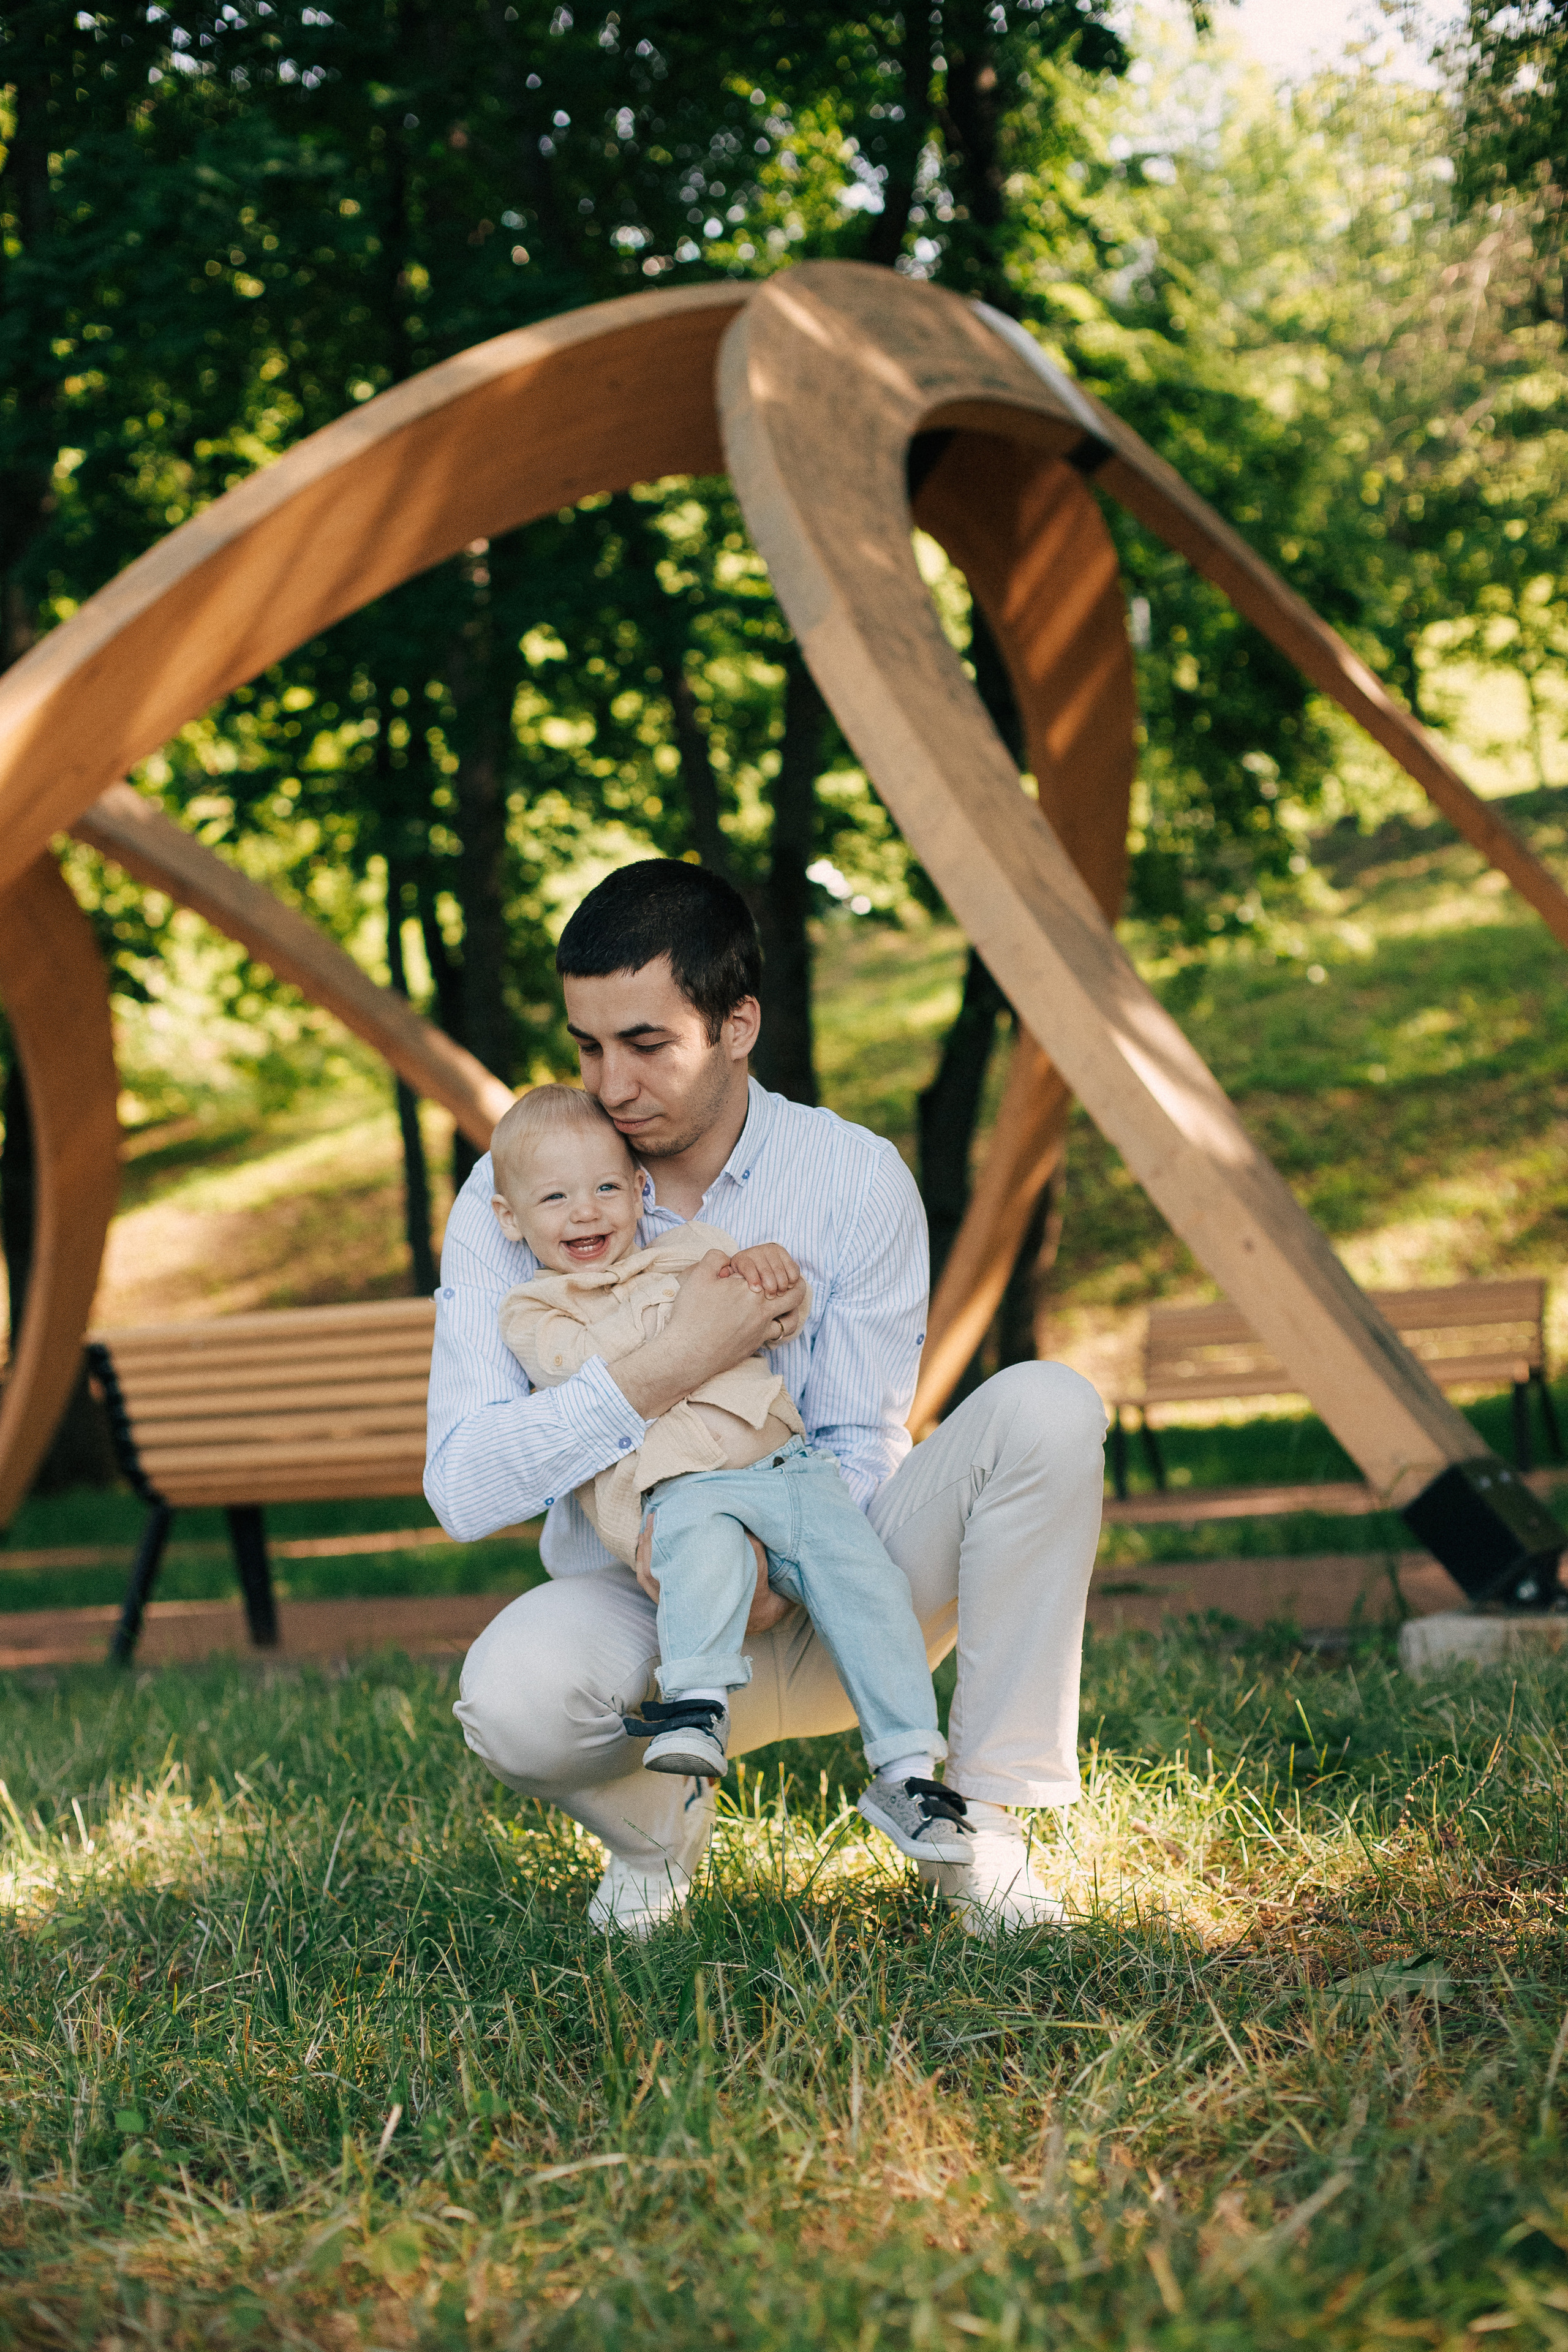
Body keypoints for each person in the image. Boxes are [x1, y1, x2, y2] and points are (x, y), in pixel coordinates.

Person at [430, 858, 1107, 1936]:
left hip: (844, 1581)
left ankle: (981, 1824)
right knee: (510, 1699)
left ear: (736, 1025)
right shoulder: (523, 1193)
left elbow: (859, 1436)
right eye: (589, 1048)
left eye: (646, 1044)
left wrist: (769, 1558)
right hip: (648, 1610)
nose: (612, 1086)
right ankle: (655, 1835)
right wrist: (675, 1360)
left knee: (1050, 1408)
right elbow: (463, 1486)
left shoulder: (855, 1178)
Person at [484, 1082, 973, 1866]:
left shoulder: (690, 1251)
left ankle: (907, 1770)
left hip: (791, 1471)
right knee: (700, 1556)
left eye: (606, 1188)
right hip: (685, 1487)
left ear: (638, 1192)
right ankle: (697, 1706)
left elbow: (773, 1316)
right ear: (511, 1219)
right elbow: (584, 1373)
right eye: (555, 1198)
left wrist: (774, 1276)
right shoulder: (536, 1310)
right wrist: (690, 1327)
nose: (586, 1213)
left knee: (867, 1584)